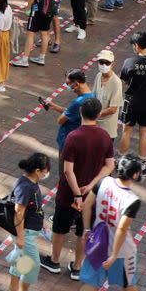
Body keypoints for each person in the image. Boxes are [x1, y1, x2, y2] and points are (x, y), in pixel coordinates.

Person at [63, 153, 146, 291]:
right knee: (128, 282)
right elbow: (122, 229)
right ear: (134, 175)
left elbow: (86, 205)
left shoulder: (105, 182)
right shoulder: (132, 200)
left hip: (98, 242)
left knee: (93, 282)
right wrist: (115, 255)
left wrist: (86, 230)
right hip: (121, 250)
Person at [41, 97, 113, 279]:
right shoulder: (105, 136)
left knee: (60, 227)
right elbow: (109, 166)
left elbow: (68, 171)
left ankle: (55, 260)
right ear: (98, 115)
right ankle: (77, 266)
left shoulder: (73, 137)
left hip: (68, 194)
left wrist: (76, 194)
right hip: (93, 195)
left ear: (80, 112)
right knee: (84, 230)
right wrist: (91, 184)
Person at [6, 152, 50, 291]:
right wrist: (21, 237)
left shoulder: (30, 181)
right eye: (45, 170)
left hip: (29, 230)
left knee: (22, 259)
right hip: (26, 233)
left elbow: (33, 206)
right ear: (38, 170)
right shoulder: (26, 187)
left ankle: (12, 288)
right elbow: (19, 211)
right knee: (34, 264)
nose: (47, 173)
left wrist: (42, 222)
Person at [119, 32, 146, 162]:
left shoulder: (129, 62)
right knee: (144, 134)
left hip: (131, 103)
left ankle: (122, 161)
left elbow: (124, 80)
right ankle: (142, 162)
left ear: (136, 46)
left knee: (126, 132)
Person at [12, 0, 59, 67]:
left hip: (37, 11)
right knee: (45, 33)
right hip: (49, 11)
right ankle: (41, 57)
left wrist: (27, 8)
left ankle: (24, 59)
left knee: (30, 33)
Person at [92, 50, 123, 140]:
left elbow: (113, 109)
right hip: (95, 125)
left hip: (107, 129)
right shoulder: (98, 76)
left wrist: (94, 114)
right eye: (101, 62)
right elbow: (93, 96)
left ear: (112, 64)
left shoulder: (116, 82)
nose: (104, 65)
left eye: (107, 63)